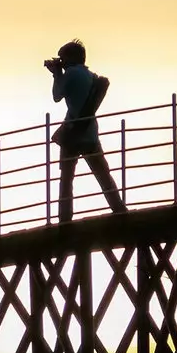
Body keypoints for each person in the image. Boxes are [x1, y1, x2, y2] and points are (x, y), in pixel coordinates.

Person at [45, 40, 125, 223]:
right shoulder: (89, 75)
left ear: (71, 58)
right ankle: (119, 209)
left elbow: (57, 95)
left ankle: (65, 220)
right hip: (90, 132)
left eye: (62, 58)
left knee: (66, 180)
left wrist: (56, 74)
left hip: (73, 134)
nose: (60, 62)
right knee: (103, 174)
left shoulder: (70, 74)